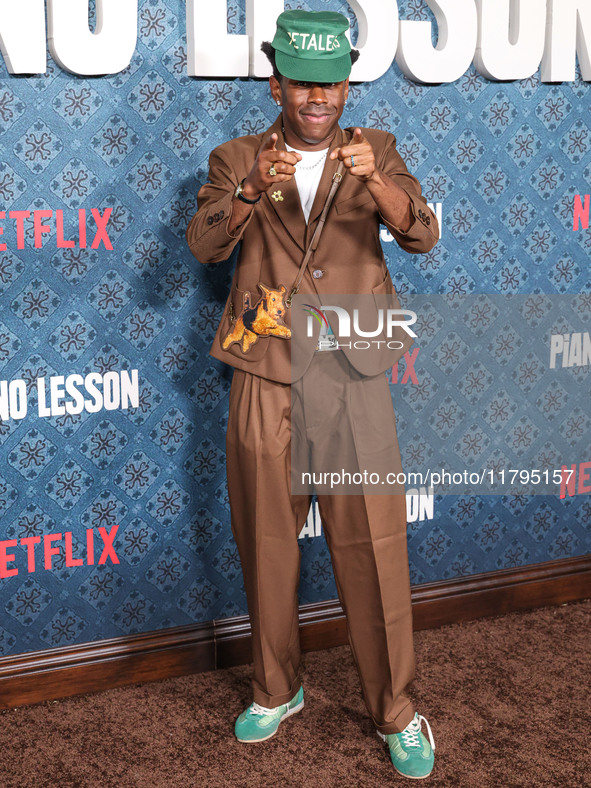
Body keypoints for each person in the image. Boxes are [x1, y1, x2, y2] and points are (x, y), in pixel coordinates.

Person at [186, 10, 439, 780]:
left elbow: (422, 233)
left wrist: (378, 186)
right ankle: (276, 687)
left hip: (352, 373)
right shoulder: (236, 157)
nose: (318, 96)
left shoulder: (380, 151)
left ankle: (396, 711)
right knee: (265, 542)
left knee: (374, 549)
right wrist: (253, 193)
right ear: (278, 85)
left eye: (331, 82)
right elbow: (203, 243)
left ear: (344, 85)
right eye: (303, 83)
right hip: (265, 369)